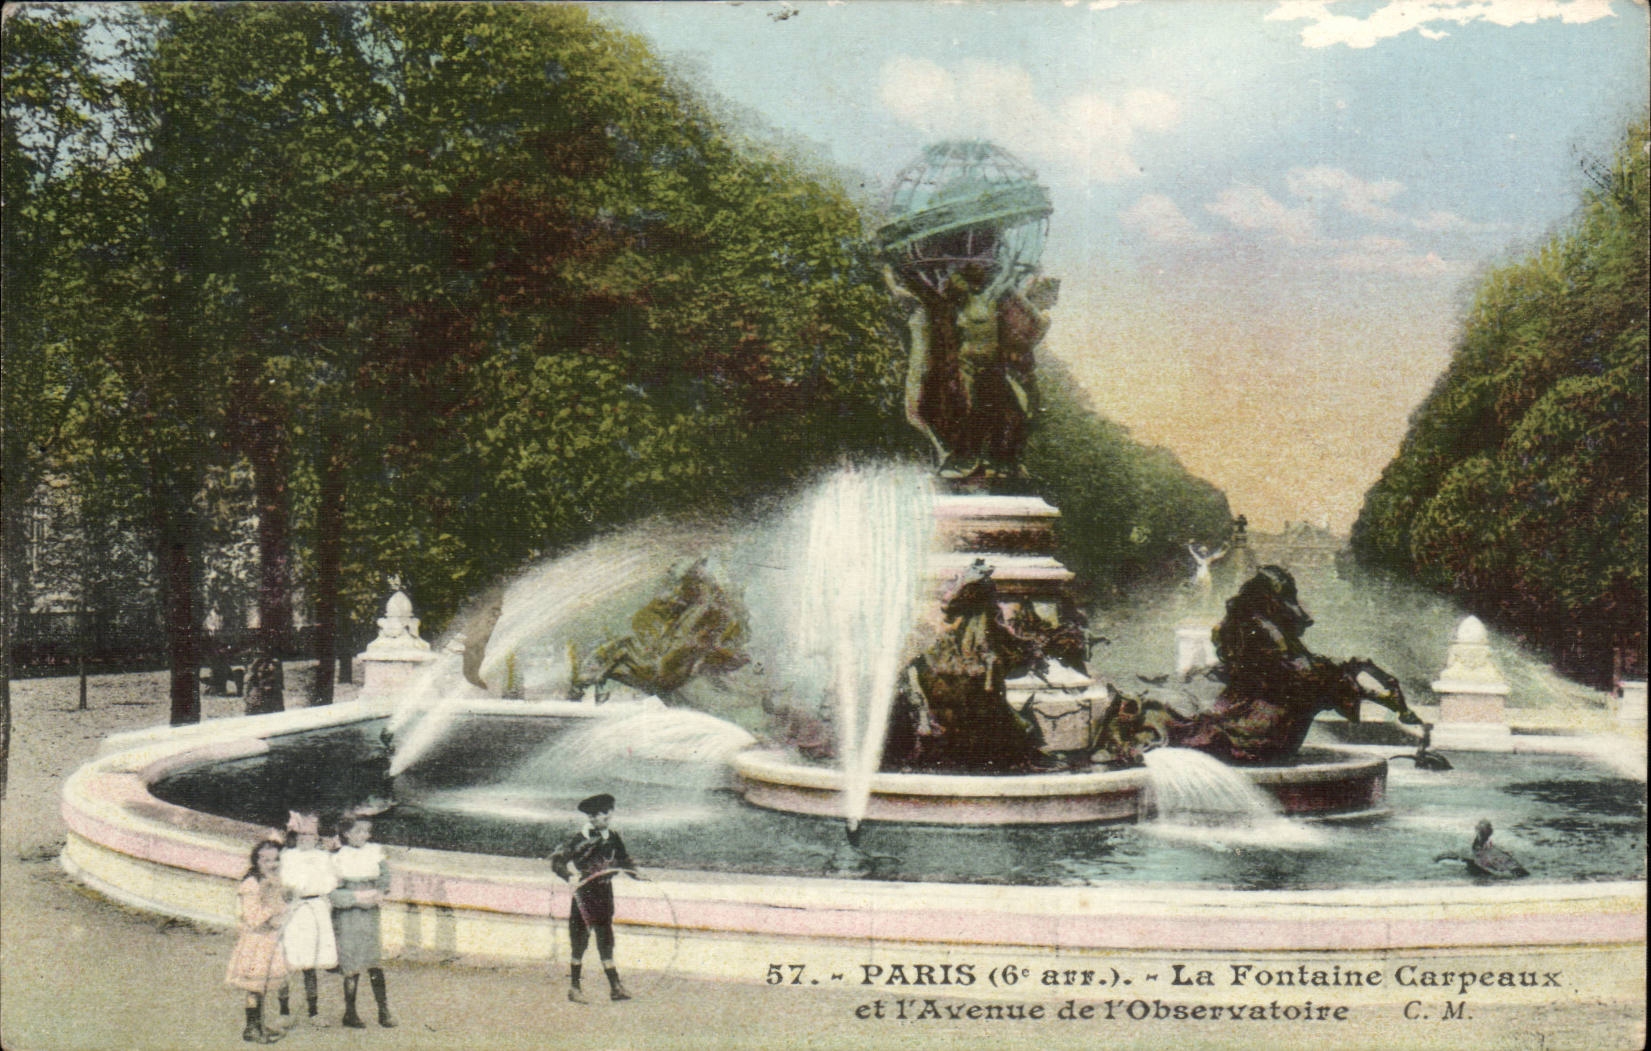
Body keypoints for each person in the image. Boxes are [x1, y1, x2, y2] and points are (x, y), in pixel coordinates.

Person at [550, 793, 640, 1004]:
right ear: (590, 817)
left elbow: (623, 860)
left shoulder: (614, 837)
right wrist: (570, 876)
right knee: (580, 939)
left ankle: (615, 987)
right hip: (585, 892)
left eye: (608, 813)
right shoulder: (579, 838)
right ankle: (574, 987)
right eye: (600, 815)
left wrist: (635, 873)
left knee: (606, 938)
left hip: (604, 893)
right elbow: (557, 862)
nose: (606, 817)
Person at [330, 813, 395, 1029]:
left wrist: (379, 892)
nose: (364, 835)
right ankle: (350, 1012)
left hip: (370, 912)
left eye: (367, 831)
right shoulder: (338, 856)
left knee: (373, 960)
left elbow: (385, 877)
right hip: (348, 915)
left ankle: (383, 1009)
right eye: (358, 831)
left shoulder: (375, 852)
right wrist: (355, 898)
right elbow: (332, 890)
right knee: (351, 963)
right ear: (347, 833)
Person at [225, 838, 289, 1043]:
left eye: (276, 859)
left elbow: (282, 908)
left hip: (269, 940)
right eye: (266, 860)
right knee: (254, 986)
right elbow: (253, 917)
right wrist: (272, 908)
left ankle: (258, 1024)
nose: (272, 864)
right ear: (256, 862)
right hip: (256, 942)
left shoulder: (272, 881)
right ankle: (252, 1027)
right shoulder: (251, 884)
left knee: (262, 986)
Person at [278, 811, 339, 1026]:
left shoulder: (324, 858)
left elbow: (330, 882)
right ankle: (283, 1011)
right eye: (301, 834)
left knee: (310, 964)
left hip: (314, 909)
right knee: (285, 961)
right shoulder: (287, 856)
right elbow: (282, 882)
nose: (305, 839)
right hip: (292, 909)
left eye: (310, 835)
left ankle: (314, 1012)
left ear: (316, 837)